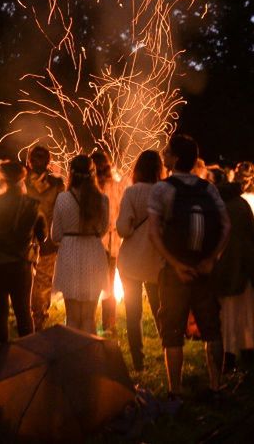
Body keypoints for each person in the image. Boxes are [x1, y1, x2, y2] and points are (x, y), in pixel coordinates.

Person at [147, 134, 231, 400]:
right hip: (204, 269)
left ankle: (175, 390)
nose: (164, 153)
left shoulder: (162, 189)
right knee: (211, 328)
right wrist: (210, 260)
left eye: (167, 151)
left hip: (174, 272)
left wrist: (175, 264)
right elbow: (226, 226)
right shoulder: (209, 189)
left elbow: (154, 233)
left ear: (174, 158)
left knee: (172, 331)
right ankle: (216, 385)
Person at [0, 161, 43, 347]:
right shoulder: (33, 205)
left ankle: (1, 356)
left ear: (0, 180)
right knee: (23, 312)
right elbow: (43, 236)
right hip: (20, 266)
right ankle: (30, 356)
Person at [116, 149, 165, 371]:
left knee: (132, 312)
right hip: (156, 261)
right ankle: (169, 351)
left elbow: (123, 229)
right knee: (159, 309)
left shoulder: (131, 192)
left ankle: (138, 360)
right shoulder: (165, 192)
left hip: (131, 262)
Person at [213, 164, 254, 372]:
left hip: (226, 267)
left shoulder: (218, 207)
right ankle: (248, 350)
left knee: (228, 314)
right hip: (246, 265)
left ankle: (229, 356)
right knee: (246, 312)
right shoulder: (242, 204)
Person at [51, 155, 110, 334]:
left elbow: (55, 234)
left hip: (69, 254)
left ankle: (72, 357)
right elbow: (103, 229)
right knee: (89, 316)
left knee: (73, 316)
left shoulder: (62, 198)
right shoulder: (102, 199)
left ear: (71, 173)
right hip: (93, 252)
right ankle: (88, 357)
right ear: (92, 173)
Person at [26, 146, 64, 331]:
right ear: (49, 162)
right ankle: (38, 317)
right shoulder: (57, 184)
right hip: (48, 238)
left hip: (24, 238)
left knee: (26, 279)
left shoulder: (22, 181)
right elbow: (60, 212)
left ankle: (28, 315)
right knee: (43, 280)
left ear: (29, 161)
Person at [92, 150, 124, 334]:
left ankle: (90, 322)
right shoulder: (116, 185)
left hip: (99, 240)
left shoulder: (90, 186)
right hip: (109, 241)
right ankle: (108, 324)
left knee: (96, 283)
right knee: (108, 283)